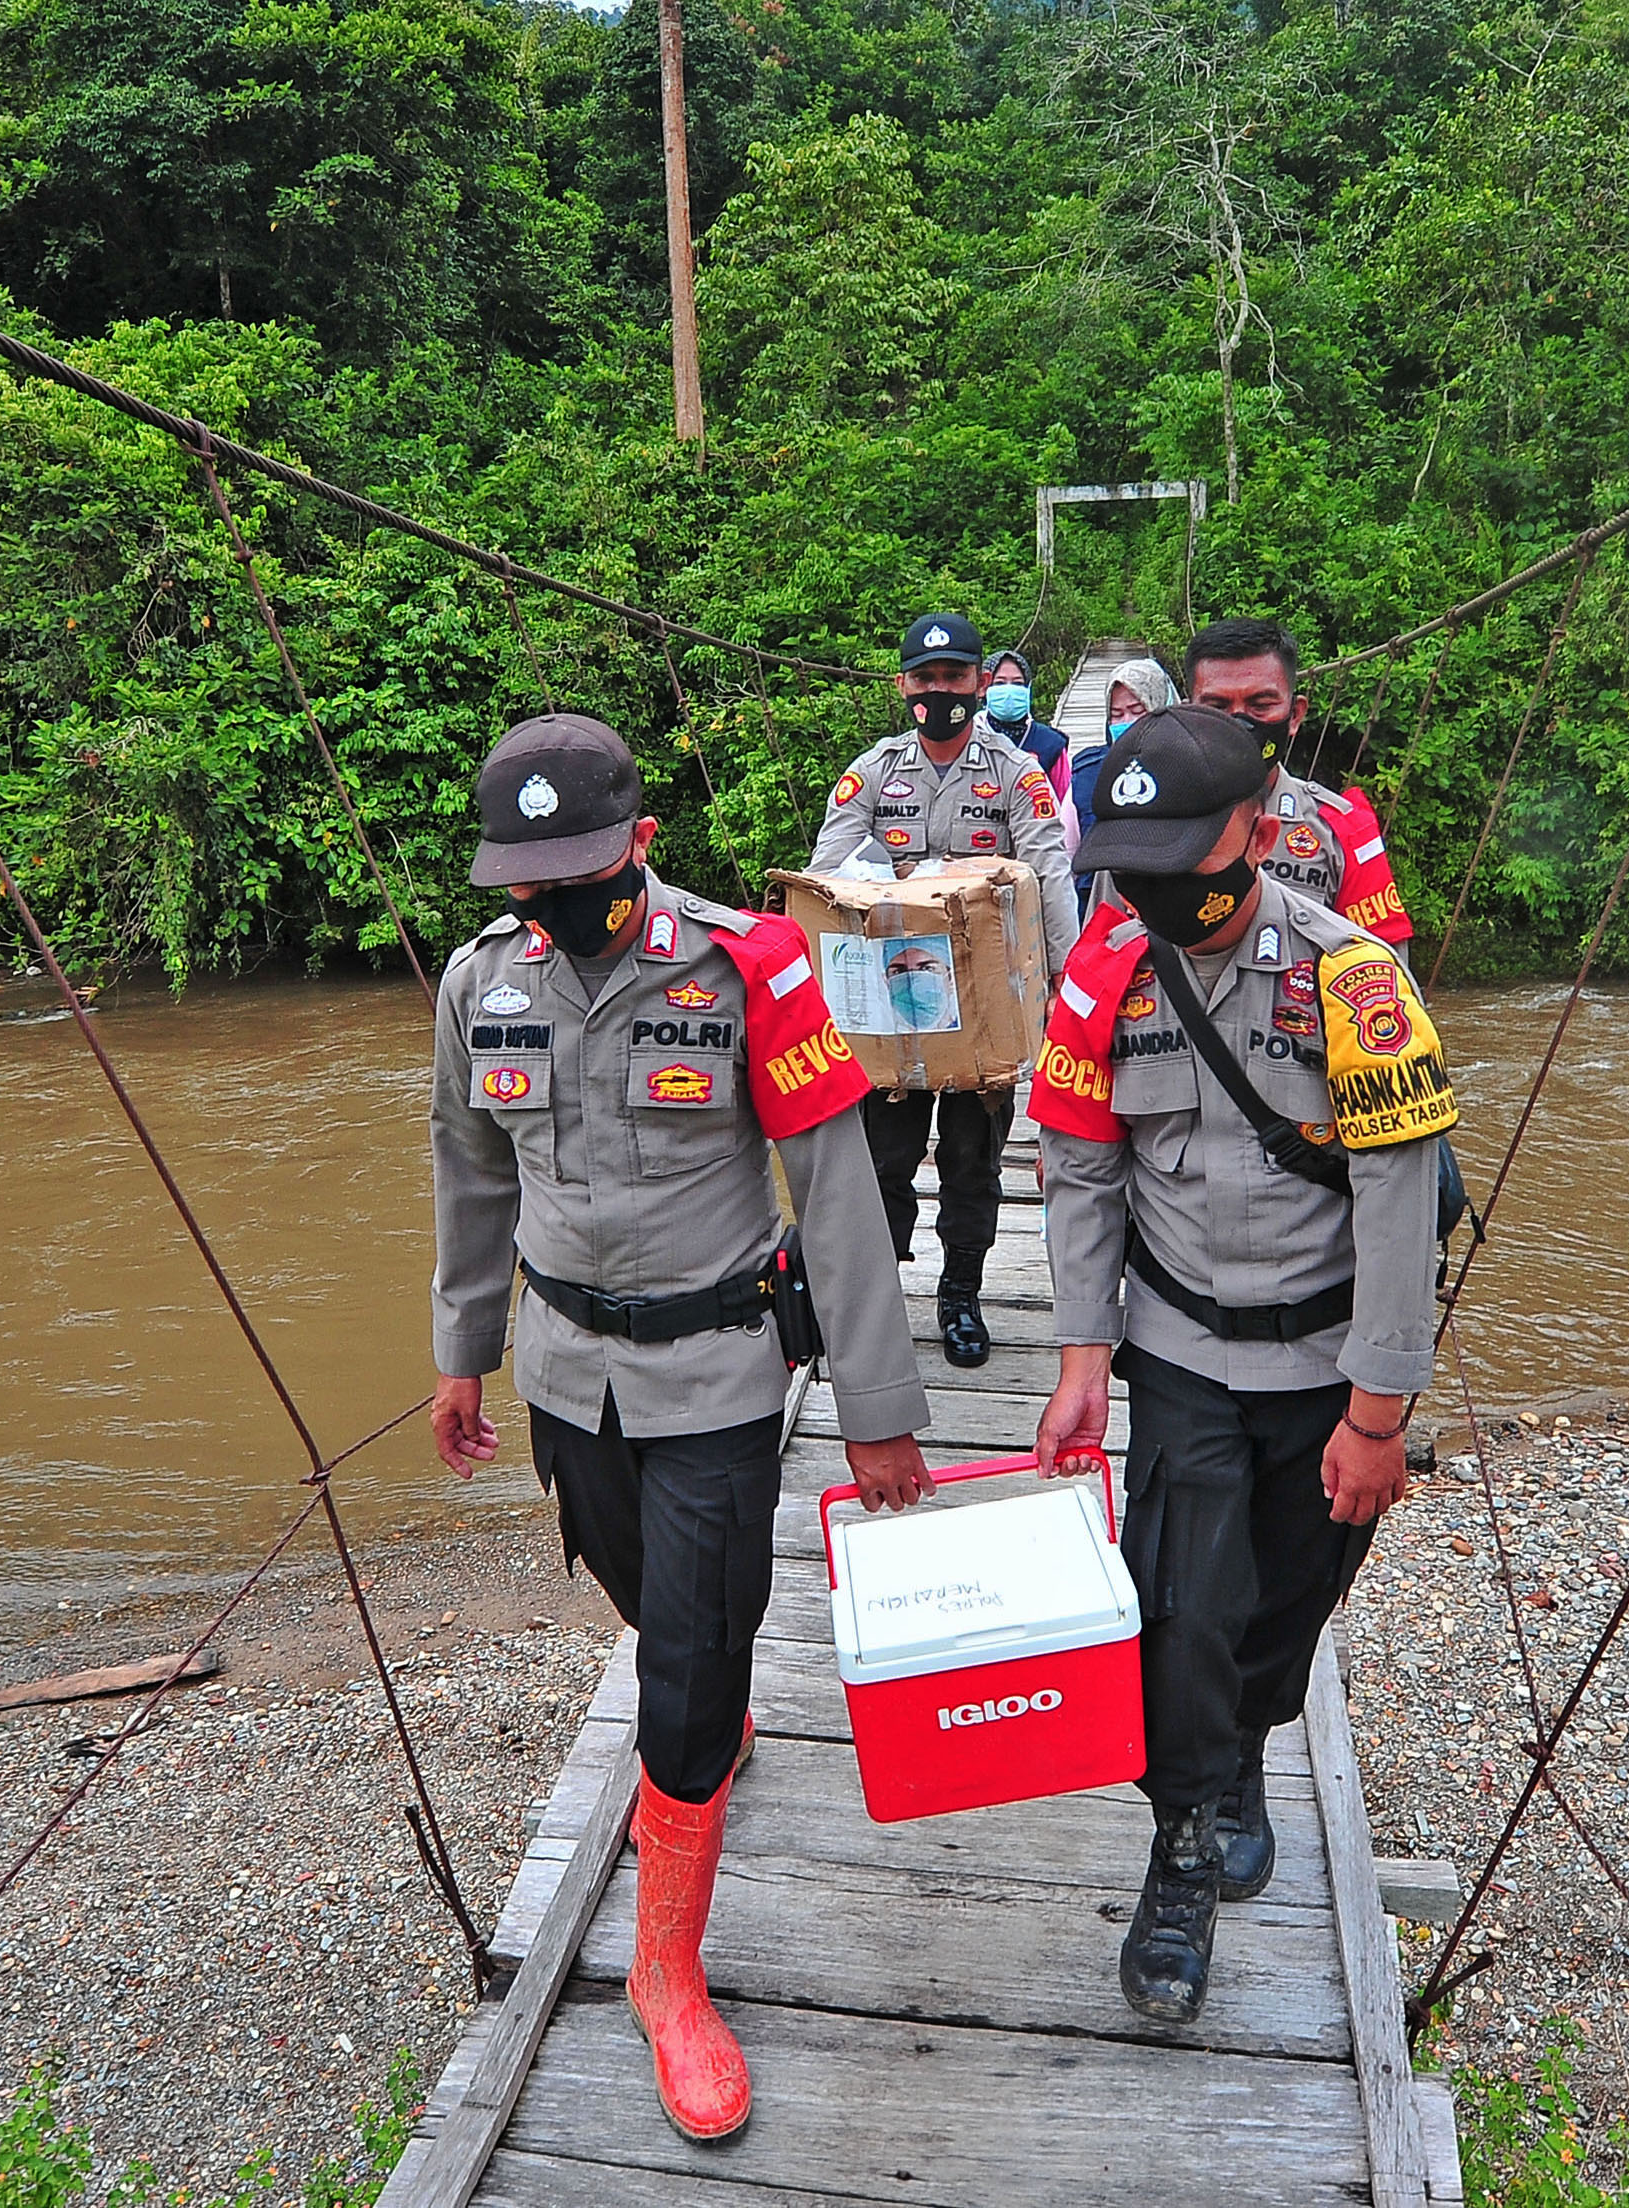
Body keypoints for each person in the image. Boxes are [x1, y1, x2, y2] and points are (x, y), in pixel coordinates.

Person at [429, 712, 936, 2143]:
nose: (553, 907)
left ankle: (667, 1972)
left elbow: (839, 1199)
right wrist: (462, 1353)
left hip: (717, 1376)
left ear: (641, 848)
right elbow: (469, 1176)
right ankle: (700, 1726)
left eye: (579, 875)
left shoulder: (755, 968)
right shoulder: (483, 984)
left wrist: (882, 1422)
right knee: (647, 1602)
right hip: (564, 1370)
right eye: (526, 881)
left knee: (698, 1659)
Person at [1022, 703, 1459, 2025]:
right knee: (1183, 1608)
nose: (1155, 890)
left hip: (1327, 1361)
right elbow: (1084, 1170)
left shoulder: (1358, 981)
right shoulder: (1106, 970)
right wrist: (1083, 1352)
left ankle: (1250, 1743)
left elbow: (1395, 1200)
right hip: (1181, 1353)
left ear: (1258, 837)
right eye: (1130, 864)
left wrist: (1378, 1412)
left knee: (1284, 1604)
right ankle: (1184, 1846)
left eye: (1180, 860)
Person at [808, 612, 1080, 1370]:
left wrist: (1066, 990)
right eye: (925, 679)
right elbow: (827, 875)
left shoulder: (1015, 775)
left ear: (979, 684)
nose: (939, 693)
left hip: (986, 1004)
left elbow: (1050, 873)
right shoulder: (874, 771)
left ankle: (960, 1294)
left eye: (955, 678)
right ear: (903, 685)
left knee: (971, 1159)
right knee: (882, 1158)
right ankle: (881, 1299)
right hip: (894, 1005)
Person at [1178, 617, 1414, 945]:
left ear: (1295, 716)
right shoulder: (1138, 828)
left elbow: (1384, 969)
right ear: (1188, 714)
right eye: (1217, 707)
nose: (1238, 724)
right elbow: (1102, 965)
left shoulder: (1343, 829)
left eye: (1260, 706)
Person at [1066, 653, 1177, 840]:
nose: (1128, 722)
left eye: (1138, 711)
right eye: (1116, 715)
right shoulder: (1087, 773)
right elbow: (1066, 848)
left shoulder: (1189, 766)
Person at [982, 645, 1071, 788]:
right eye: (999, 683)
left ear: (1028, 689)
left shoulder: (1051, 743)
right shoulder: (968, 738)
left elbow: (1065, 798)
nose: (1009, 691)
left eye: (1018, 683)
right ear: (984, 688)